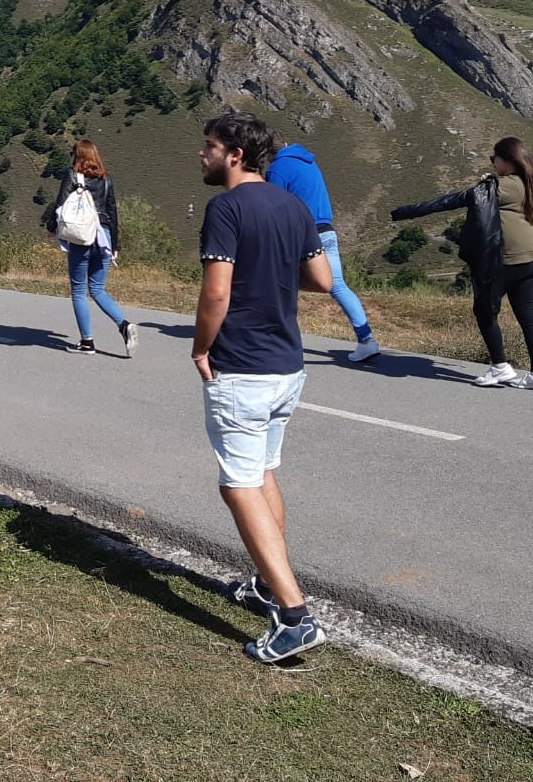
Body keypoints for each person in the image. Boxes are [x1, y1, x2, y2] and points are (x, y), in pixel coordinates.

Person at [194, 113, 334, 664]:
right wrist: (275, 267)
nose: (200, 156)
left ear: (234, 154)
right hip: (287, 367)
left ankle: (295, 616)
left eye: (208, 147)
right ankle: (265, 584)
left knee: (237, 484)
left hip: (242, 366)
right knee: (264, 472)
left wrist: (200, 347)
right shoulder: (292, 205)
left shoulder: (224, 209)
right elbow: (322, 280)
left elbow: (216, 295)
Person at [391, 136, 533, 391]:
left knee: (485, 313)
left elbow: (454, 200)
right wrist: (492, 180)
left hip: (506, 261)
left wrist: (404, 212)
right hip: (529, 257)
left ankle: (500, 367)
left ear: (507, 160)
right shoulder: (531, 181)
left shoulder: (500, 187)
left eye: (494, 158)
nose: (492, 162)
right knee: (528, 318)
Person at [266, 141, 378, 362]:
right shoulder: (309, 162)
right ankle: (366, 340)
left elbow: (272, 210)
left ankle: (277, 340)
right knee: (337, 285)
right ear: (286, 143)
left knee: (278, 282)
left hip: (302, 233)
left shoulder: (277, 169)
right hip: (326, 231)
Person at [42, 139, 136, 356]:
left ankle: (87, 342)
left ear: (78, 156)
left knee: (78, 291)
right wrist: (115, 244)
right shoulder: (106, 178)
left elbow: (60, 205)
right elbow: (113, 212)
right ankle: (123, 324)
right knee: (98, 289)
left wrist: (51, 227)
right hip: (103, 239)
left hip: (82, 239)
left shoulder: (73, 175)